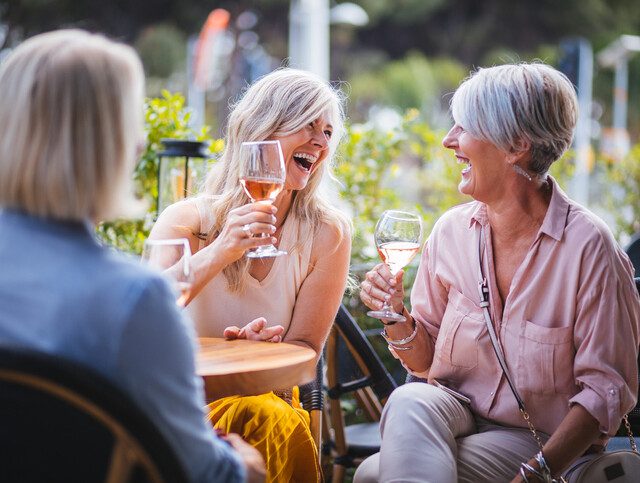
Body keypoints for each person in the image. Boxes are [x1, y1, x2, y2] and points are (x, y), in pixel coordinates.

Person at [0, 30, 265, 483]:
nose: (141, 142)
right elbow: (204, 474)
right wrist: (247, 463)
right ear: (113, 146)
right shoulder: (134, 299)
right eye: (132, 125)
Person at [357, 62, 640, 482]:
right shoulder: (451, 232)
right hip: (455, 415)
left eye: (464, 127)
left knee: (371, 474)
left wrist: (536, 473)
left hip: (542, 441)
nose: (448, 140)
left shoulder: (590, 249)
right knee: (410, 400)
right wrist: (397, 316)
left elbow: (604, 394)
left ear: (516, 145)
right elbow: (425, 363)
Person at [148, 68, 352, 482]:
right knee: (264, 417)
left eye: (328, 132)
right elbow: (147, 314)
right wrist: (223, 249)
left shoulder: (327, 233)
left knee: (264, 413)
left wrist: (262, 358)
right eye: (308, 125)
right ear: (261, 131)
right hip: (186, 402)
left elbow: (305, 351)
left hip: (272, 397)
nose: (320, 142)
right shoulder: (186, 220)